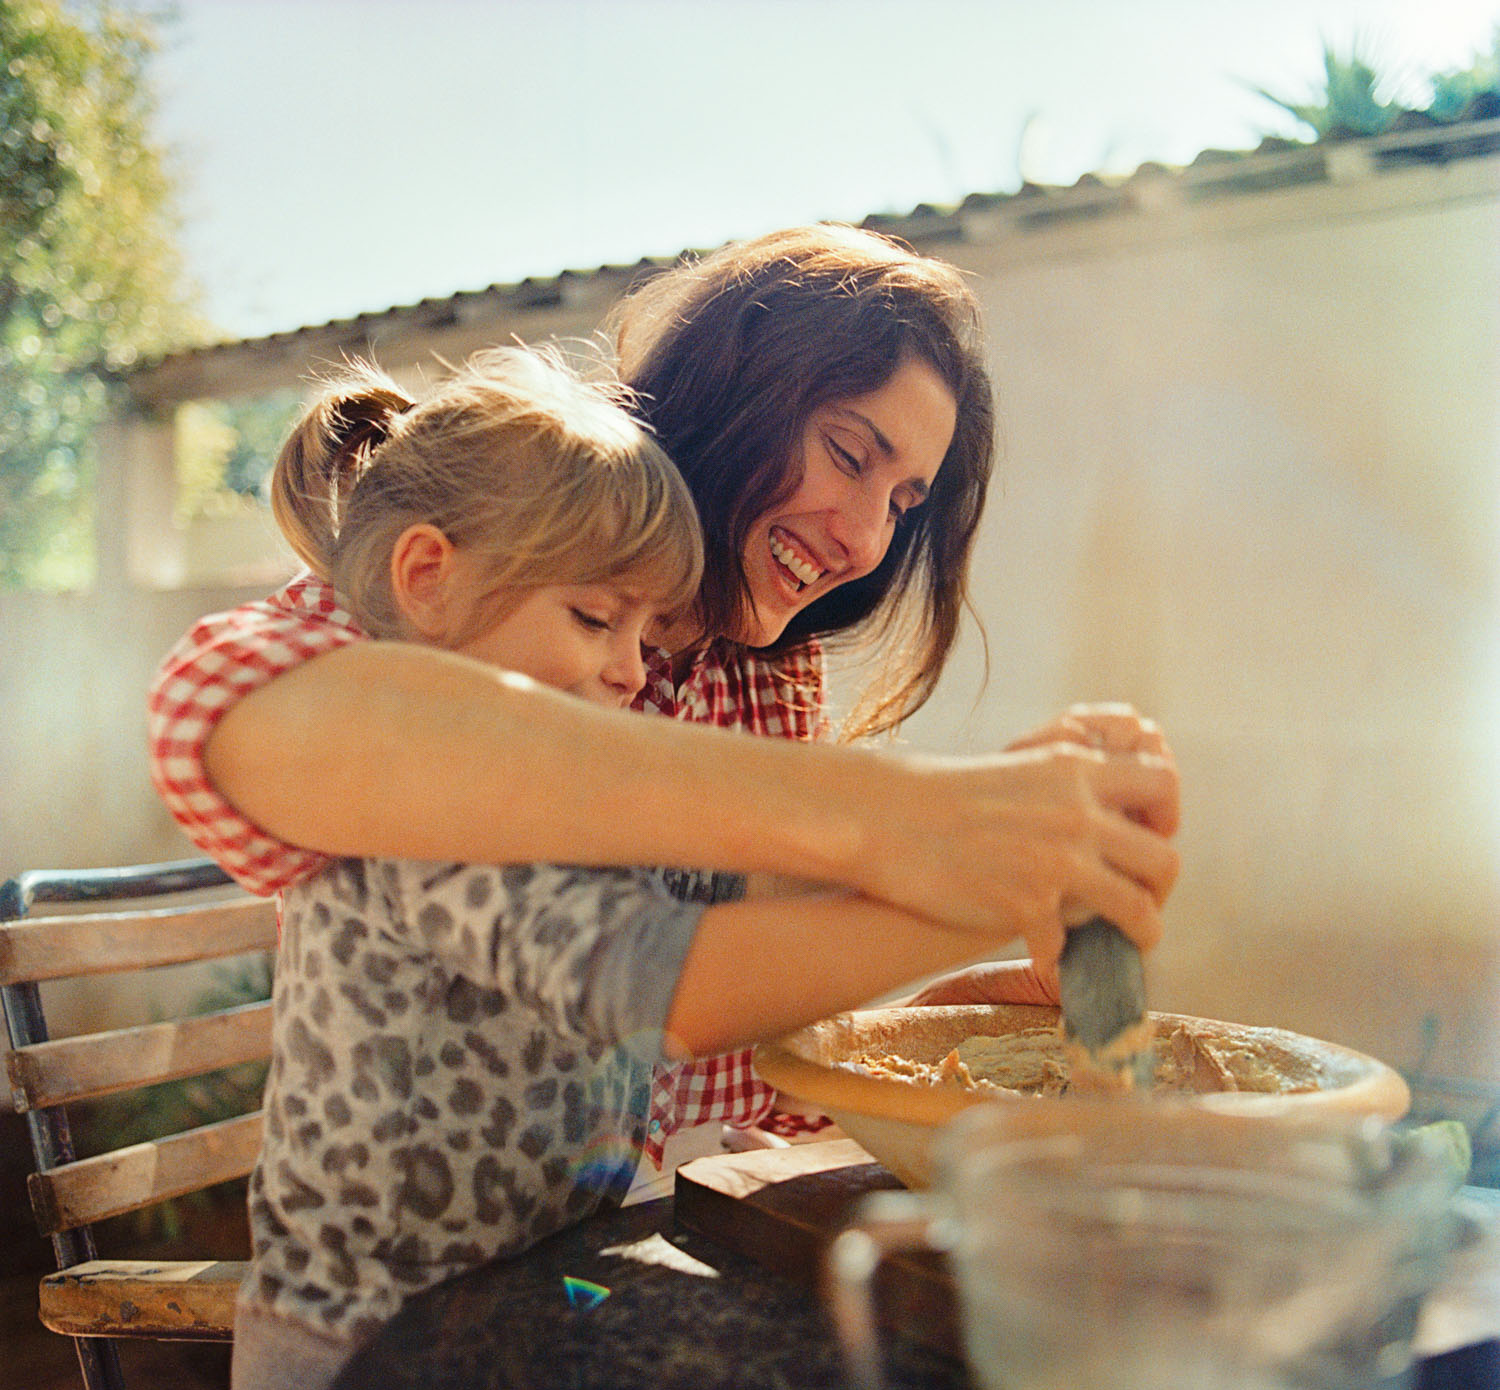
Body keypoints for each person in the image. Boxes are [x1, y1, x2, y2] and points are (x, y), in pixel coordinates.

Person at [187, 348, 1172, 1390]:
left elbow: (743, 901)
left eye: (644, 640)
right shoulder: (429, 808)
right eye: (598, 620)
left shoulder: (561, 795)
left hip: (513, 1354)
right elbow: (677, 991)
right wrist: (995, 891)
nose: (627, 673)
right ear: (427, 578)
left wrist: (1002, 900)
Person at [148, 222, 1180, 1167]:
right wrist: (909, 819)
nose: (868, 542)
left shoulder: (766, 673)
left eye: (903, 505)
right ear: (738, 388)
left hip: (624, 1231)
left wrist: (973, 991)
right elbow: (221, 708)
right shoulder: (498, 550)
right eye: (848, 454)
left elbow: (739, 1041)